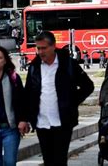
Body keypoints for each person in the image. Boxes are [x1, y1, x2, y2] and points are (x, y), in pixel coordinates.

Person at [25, 31, 94, 166]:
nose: (40, 52)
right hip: (41, 122)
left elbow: (88, 86)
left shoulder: (68, 64)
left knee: (60, 160)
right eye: (38, 48)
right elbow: (28, 94)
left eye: (44, 48)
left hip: (63, 122)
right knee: (48, 160)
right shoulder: (34, 67)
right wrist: (25, 118)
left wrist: (72, 102)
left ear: (53, 46)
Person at [0, 46, 30, 166]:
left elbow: (23, 101)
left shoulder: (13, 78)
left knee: (10, 161)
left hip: (10, 128)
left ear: (5, 61)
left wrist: (23, 120)